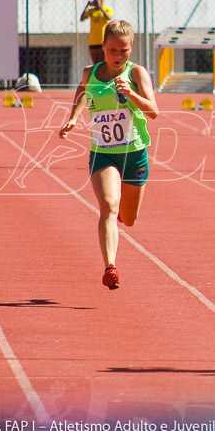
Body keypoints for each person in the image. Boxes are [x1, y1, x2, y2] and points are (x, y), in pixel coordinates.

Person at [59, 20, 159, 290]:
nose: (118, 56)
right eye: (112, 50)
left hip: (134, 152)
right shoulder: (90, 72)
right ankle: (110, 267)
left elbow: (153, 111)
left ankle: (121, 221)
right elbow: (82, 92)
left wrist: (131, 94)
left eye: (124, 51)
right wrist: (73, 118)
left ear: (131, 48)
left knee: (129, 218)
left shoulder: (137, 73)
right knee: (108, 206)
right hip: (103, 152)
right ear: (102, 47)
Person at [80, 0, 113, 66]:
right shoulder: (91, 11)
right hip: (93, 41)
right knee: (96, 65)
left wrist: (100, 7)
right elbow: (82, 18)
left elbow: (109, 17)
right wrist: (87, 6)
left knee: (104, 64)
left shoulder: (107, 9)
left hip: (103, 40)